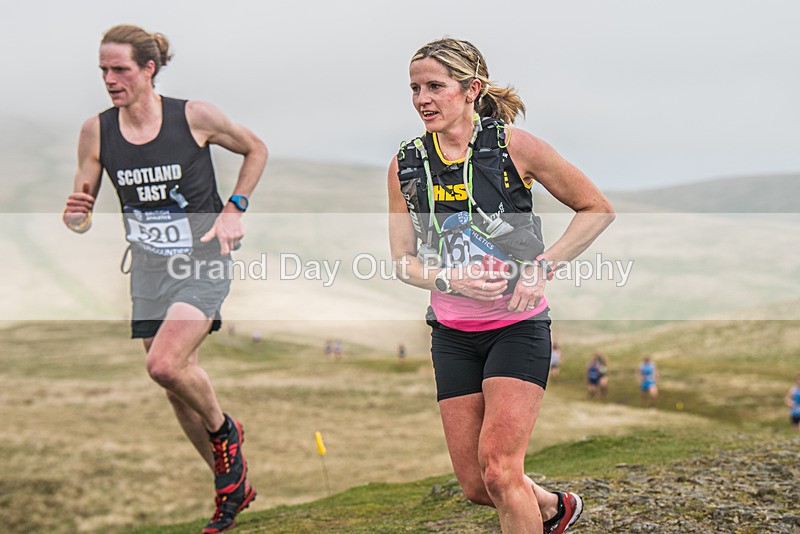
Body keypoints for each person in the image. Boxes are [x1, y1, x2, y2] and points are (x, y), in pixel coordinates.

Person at [388, 37, 615, 534]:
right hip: (451, 333)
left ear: (472, 89)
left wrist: (541, 267)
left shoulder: (512, 146)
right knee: (476, 484)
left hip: (517, 325)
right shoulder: (406, 163)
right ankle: (554, 509)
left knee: (500, 468)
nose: (422, 99)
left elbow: (596, 209)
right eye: (414, 88)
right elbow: (403, 262)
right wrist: (450, 278)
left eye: (435, 86)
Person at [61, 25, 268, 534]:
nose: (110, 80)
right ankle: (230, 488)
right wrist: (77, 216)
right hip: (149, 271)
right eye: (104, 71)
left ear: (148, 68)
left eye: (120, 70)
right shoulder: (97, 132)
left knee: (163, 364)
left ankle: (226, 431)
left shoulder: (192, 116)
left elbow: (255, 149)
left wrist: (234, 207)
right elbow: (80, 211)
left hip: (201, 261)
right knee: (177, 388)